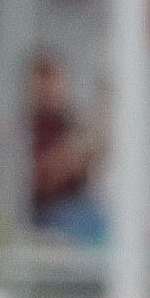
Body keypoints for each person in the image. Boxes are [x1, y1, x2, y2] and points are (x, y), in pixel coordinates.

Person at [25, 50, 105, 241]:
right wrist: (71, 155)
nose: (55, 90)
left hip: (81, 206)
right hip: (49, 216)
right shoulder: (27, 129)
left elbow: (89, 163)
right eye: (47, 84)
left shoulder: (68, 121)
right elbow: (42, 176)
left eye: (58, 82)